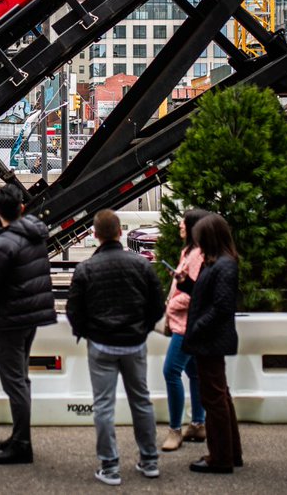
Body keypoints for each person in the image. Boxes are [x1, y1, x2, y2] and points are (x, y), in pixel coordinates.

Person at [66, 209, 164, 486]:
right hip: (134, 342)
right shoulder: (141, 266)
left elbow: (75, 311)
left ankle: (109, 466)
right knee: (141, 401)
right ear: (120, 232)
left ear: (95, 235)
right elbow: (157, 307)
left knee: (103, 407)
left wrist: (88, 332)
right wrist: (142, 329)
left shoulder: (86, 269)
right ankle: (149, 459)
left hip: (101, 343)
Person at [0, 183, 56, 465]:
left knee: (14, 382)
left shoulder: (4, 242)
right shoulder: (34, 235)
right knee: (21, 379)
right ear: (21, 207)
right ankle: (21, 436)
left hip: (8, 319)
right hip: (28, 317)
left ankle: (21, 443)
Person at [179, 213, 243, 474]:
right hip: (211, 339)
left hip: (210, 340)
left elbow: (221, 307)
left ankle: (220, 457)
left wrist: (196, 328)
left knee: (214, 399)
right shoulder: (217, 263)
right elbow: (211, 297)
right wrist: (188, 286)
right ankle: (230, 452)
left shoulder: (223, 265)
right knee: (220, 396)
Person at [161, 208, 209, 451]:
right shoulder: (190, 252)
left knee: (171, 371)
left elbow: (196, 293)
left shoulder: (197, 255)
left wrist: (172, 303)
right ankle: (198, 423)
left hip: (186, 324)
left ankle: (175, 429)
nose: (179, 225)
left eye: (184, 222)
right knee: (194, 373)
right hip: (187, 322)